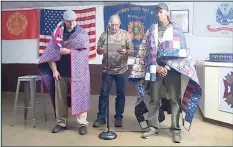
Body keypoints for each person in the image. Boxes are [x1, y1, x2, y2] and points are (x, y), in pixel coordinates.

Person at [128, 3, 202, 143]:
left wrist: (166, 67)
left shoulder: (177, 30)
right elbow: (145, 50)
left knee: (174, 99)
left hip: (172, 70)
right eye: (157, 12)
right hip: (154, 68)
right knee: (154, 99)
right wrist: (155, 66)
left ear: (167, 13)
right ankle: (153, 127)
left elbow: (181, 52)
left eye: (161, 12)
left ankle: (176, 130)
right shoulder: (151, 30)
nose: (158, 14)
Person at [37, 10, 91, 135]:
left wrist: (70, 52)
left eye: (73, 21)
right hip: (61, 73)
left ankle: (82, 123)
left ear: (76, 20)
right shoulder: (57, 34)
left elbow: (84, 53)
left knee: (81, 96)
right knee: (60, 99)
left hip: (78, 74)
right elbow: (51, 54)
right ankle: (61, 122)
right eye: (68, 21)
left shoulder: (82, 34)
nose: (71, 23)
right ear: (64, 21)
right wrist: (54, 71)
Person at [93, 14, 134, 128]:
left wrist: (126, 51)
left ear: (119, 24)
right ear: (109, 23)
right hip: (107, 70)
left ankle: (119, 118)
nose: (114, 27)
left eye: (116, 25)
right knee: (104, 94)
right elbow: (98, 50)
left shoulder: (125, 35)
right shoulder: (104, 35)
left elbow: (132, 50)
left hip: (121, 70)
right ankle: (101, 118)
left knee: (120, 95)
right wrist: (101, 51)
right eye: (112, 25)